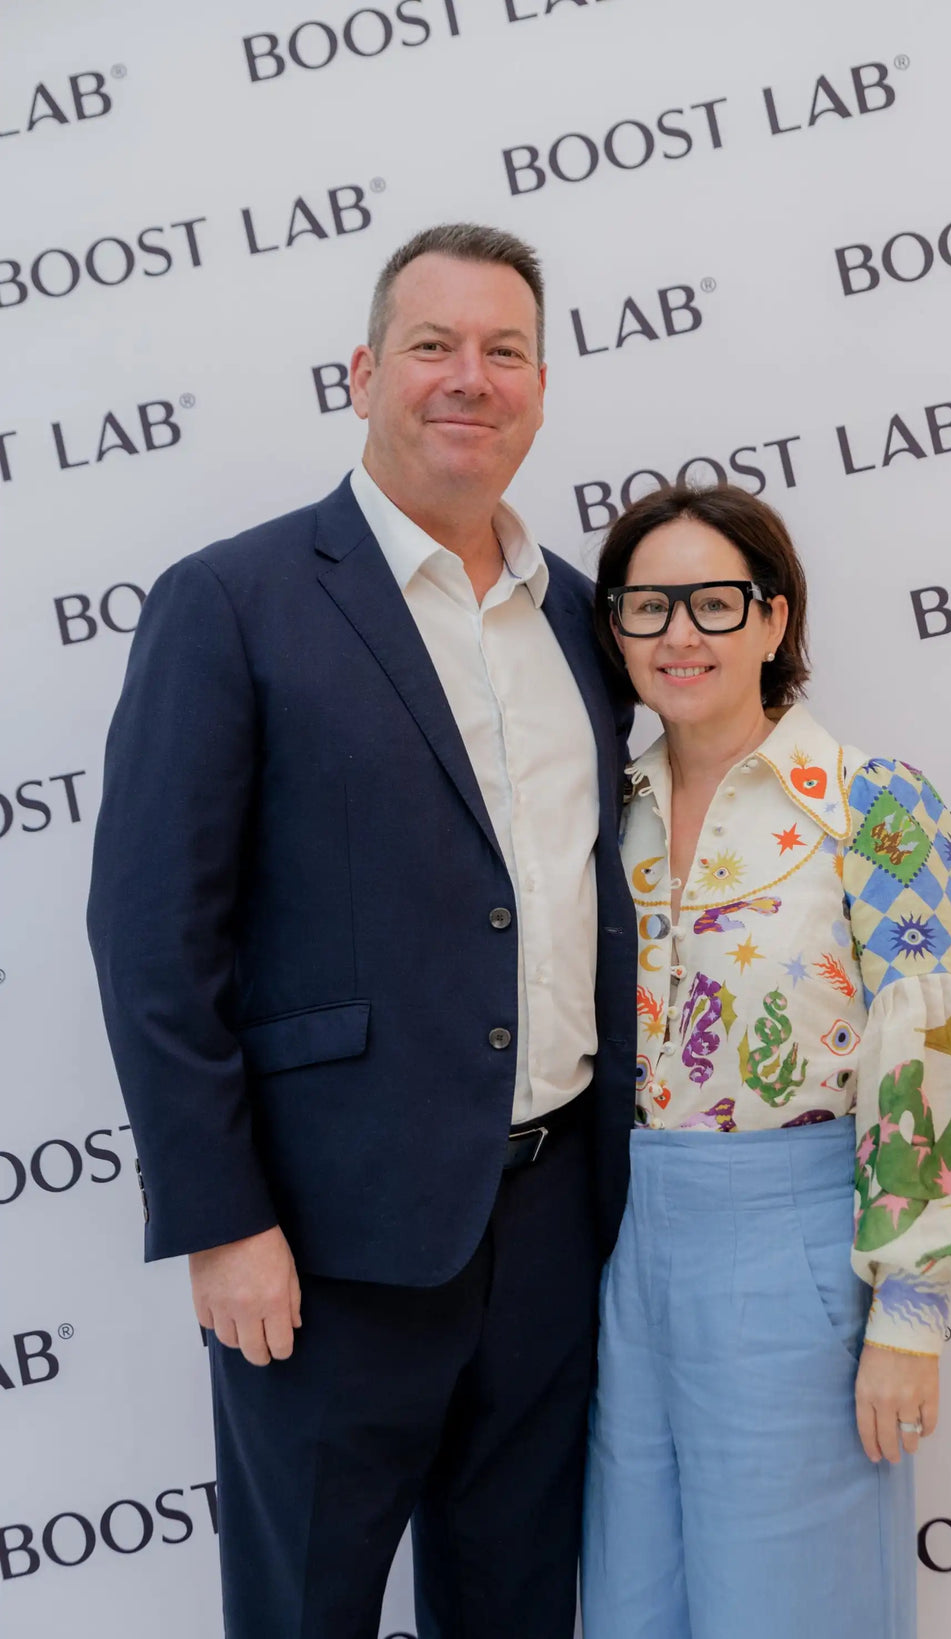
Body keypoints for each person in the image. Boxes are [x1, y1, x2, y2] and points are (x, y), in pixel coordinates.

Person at [86, 222, 636, 1639]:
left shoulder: (580, 616)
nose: (471, 377)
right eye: (433, 346)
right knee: (303, 1608)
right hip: (323, 1245)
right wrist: (222, 1217)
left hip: (552, 1224)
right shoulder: (232, 602)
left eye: (502, 350)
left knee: (515, 1605)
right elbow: (154, 935)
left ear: (540, 383)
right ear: (362, 373)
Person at [581, 483, 951, 1639]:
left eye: (713, 601)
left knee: (792, 1607)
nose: (680, 633)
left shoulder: (870, 804)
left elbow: (933, 1058)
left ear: (774, 619)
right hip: (614, 1250)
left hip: (794, 1245)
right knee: (632, 1601)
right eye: (649, 606)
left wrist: (909, 1314)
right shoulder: (601, 809)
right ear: (615, 629)